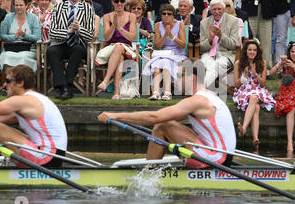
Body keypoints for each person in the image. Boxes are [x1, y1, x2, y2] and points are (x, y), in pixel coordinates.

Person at [97, 59, 236, 168]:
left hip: (216, 160)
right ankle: (152, 167)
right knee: (165, 124)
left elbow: (155, 117)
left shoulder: (197, 100)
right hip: (222, 157)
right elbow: (167, 117)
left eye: (180, 76)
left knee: (162, 125)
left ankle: (149, 173)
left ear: (191, 78)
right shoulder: (209, 96)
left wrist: (115, 116)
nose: (176, 81)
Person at [47, 0, 95, 100]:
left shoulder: (88, 9)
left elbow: (90, 35)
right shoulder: (58, 7)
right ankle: (64, 87)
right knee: (51, 51)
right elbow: (52, 32)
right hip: (62, 42)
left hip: (78, 44)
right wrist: (68, 31)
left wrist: (79, 29)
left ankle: (65, 85)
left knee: (77, 50)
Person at [233, 39, 275, 152]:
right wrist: (244, 76)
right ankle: (255, 139)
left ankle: (244, 128)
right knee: (255, 106)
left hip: (258, 90)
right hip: (244, 90)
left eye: (254, 50)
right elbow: (236, 85)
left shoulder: (262, 62)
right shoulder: (238, 63)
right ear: (246, 51)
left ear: (257, 52)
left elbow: (263, 83)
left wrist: (255, 74)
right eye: (250, 50)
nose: (252, 52)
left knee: (254, 97)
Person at [95, 0, 137, 100]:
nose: (119, 3)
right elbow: (107, 38)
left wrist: (120, 28)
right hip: (111, 47)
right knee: (119, 56)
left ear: (125, 3)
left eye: (122, 1)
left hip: (127, 47)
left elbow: (131, 37)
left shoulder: (131, 16)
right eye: (116, 1)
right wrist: (113, 25)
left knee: (120, 47)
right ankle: (117, 92)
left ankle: (106, 80)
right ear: (112, 3)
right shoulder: (107, 16)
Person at [143, 3, 186, 101]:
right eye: (164, 13)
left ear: (173, 16)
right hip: (162, 54)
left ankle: (164, 92)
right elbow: (158, 46)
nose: (166, 16)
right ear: (161, 15)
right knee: (160, 63)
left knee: (163, 62)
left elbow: (183, 44)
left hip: (177, 55)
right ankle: (158, 93)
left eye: (169, 14)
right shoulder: (157, 25)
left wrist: (171, 35)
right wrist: (165, 35)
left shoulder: (180, 24)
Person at [199, 0, 239, 89]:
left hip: (226, 55)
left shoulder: (233, 21)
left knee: (215, 66)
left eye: (219, 9)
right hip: (208, 54)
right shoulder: (204, 23)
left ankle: (200, 91)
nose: (217, 12)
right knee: (209, 65)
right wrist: (210, 38)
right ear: (210, 10)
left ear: (224, 9)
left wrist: (221, 35)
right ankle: (205, 92)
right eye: (214, 9)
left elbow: (233, 45)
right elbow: (201, 47)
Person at [0, 0, 41, 74]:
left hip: (29, 49)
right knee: (6, 56)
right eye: (16, 5)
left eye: (21, 5)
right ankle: (11, 82)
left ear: (26, 6)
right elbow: (2, 36)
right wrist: (15, 36)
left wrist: (25, 35)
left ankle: (22, 83)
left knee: (23, 57)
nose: (18, 7)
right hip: (10, 48)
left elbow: (37, 37)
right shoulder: (8, 17)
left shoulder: (33, 18)